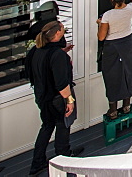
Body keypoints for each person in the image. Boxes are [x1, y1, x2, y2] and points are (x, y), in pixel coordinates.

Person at [27, 21, 82, 176]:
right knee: (63, 125)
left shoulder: (36, 51)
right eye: (63, 30)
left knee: (47, 126)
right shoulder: (56, 55)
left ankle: (37, 163)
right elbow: (61, 82)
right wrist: (69, 100)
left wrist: (62, 52)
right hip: (57, 99)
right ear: (57, 33)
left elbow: (44, 68)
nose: (64, 32)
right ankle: (64, 159)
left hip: (42, 97)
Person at [97, 0, 132, 120]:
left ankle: (113, 109)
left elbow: (101, 37)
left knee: (112, 74)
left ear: (112, 0)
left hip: (112, 46)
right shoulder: (130, 9)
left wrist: (99, 23)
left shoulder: (108, 15)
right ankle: (127, 105)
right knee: (129, 70)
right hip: (128, 42)